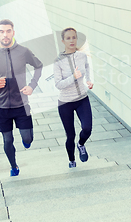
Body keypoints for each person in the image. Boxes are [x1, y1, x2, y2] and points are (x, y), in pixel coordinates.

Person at [0, 19, 43, 176]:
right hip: (1, 106)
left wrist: (32, 85)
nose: (5, 34)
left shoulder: (23, 51)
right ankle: (14, 166)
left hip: (21, 104)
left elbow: (38, 65)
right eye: (2, 31)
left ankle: (26, 140)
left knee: (28, 139)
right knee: (7, 140)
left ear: (13, 32)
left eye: (8, 31)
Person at [54, 27, 93, 168]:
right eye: (68, 38)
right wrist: (73, 77)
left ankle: (81, 144)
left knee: (87, 128)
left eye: (74, 37)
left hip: (82, 98)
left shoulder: (82, 56)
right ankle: (71, 160)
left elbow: (87, 67)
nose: (72, 40)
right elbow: (58, 84)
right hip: (65, 103)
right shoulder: (58, 61)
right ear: (63, 41)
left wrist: (88, 80)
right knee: (70, 135)